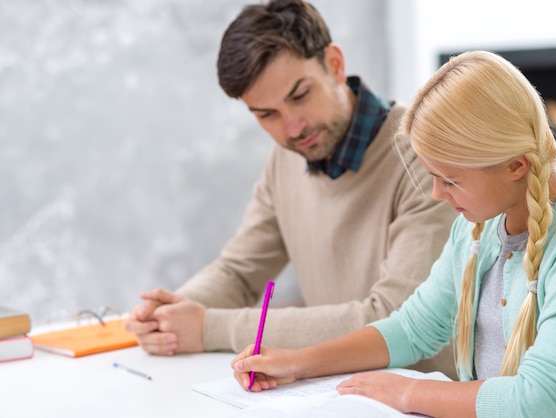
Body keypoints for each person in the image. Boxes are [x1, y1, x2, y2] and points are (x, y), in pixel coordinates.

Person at [231, 50, 556, 418]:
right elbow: (412, 328)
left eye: (450, 180)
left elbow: (543, 399)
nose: (437, 194)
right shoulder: (475, 229)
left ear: (516, 166)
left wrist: (405, 392)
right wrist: (298, 362)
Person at [125, 0, 458, 378]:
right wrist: (169, 315)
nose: (293, 128)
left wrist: (206, 328)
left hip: (421, 399)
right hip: (334, 393)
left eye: (300, 95)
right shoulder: (287, 158)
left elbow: (393, 318)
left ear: (334, 64)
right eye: (266, 115)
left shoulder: (425, 157)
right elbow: (239, 272)